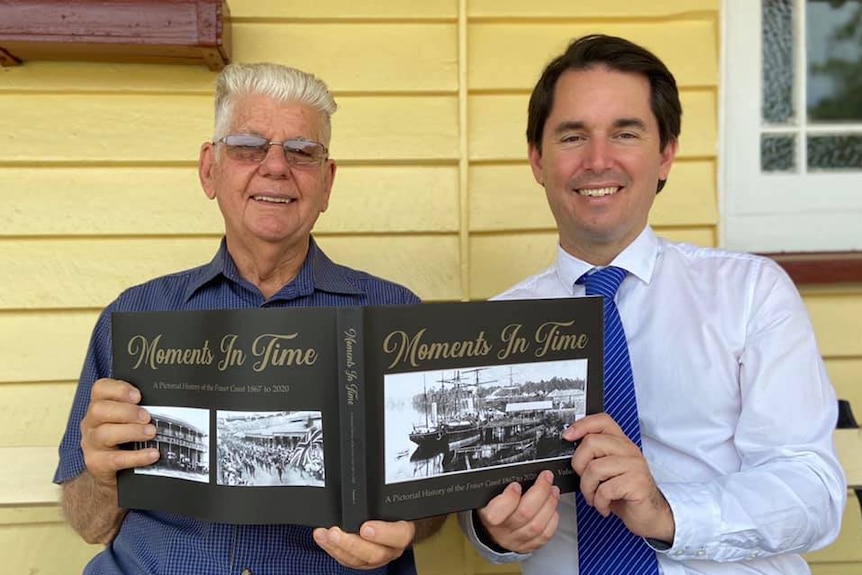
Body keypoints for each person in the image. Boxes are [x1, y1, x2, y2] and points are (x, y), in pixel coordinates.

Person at [459, 34, 846, 574]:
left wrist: (668, 511)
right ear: (537, 160)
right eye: (572, 136)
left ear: (665, 155)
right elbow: (481, 502)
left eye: (625, 133)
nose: (597, 160)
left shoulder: (751, 293)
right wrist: (493, 530)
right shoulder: (493, 326)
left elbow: (814, 493)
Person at [54, 62, 445, 574]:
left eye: (302, 152)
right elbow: (88, 524)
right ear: (209, 169)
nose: (276, 167)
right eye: (247, 146)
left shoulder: (397, 319)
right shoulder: (134, 317)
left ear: (326, 183)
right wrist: (104, 479)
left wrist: (410, 526)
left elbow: (435, 507)